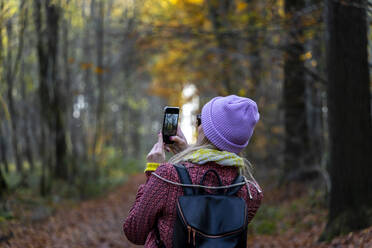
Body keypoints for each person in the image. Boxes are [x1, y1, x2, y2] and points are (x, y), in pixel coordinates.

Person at [123, 95, 263, 247]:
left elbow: (134, 231)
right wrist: (186, 154)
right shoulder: (251, 193)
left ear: (206, 130)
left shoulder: (168, 176)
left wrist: (153, 171)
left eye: (200, 120)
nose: (198, 126)